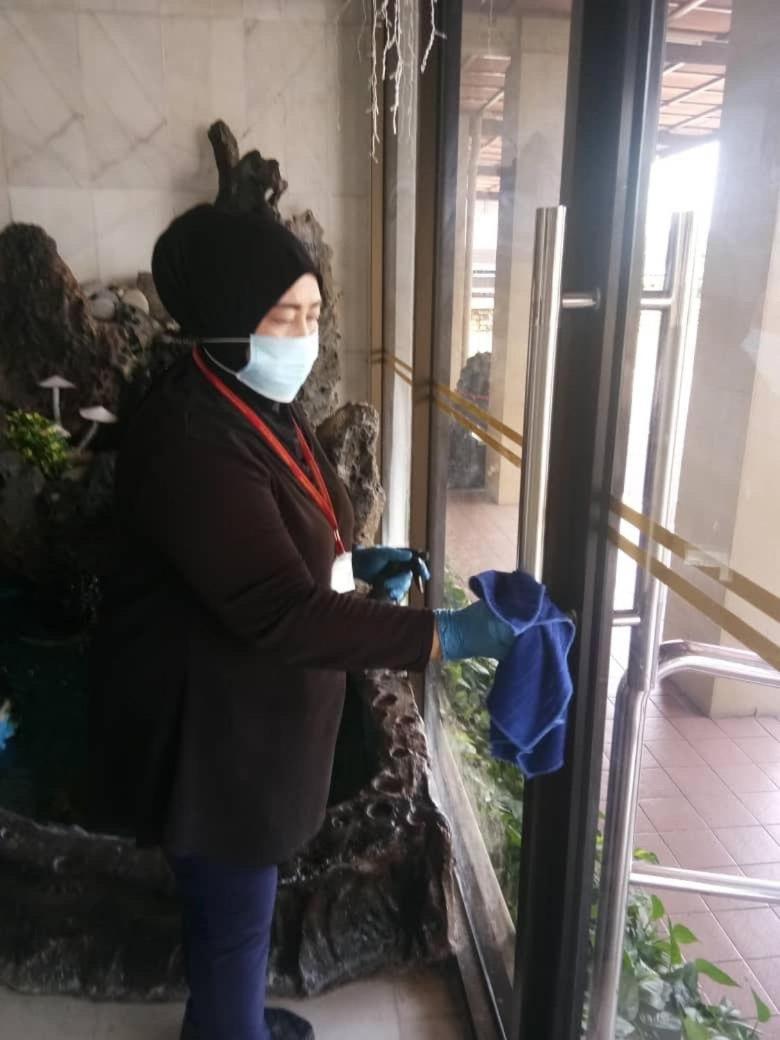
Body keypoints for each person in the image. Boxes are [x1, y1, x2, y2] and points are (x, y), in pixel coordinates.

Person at [89, 204, 515, 1040]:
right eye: (287, 316)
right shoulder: (192, 438)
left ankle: (225, 1019)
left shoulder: (253, 400)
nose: (307, 337)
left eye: (316, 314)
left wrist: (353, 562)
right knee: (233, 916)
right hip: (213, 738)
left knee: (233, 913)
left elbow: (284, 529)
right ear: (224, 313)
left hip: (255, 716)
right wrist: (445, 635)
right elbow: (278, 609)